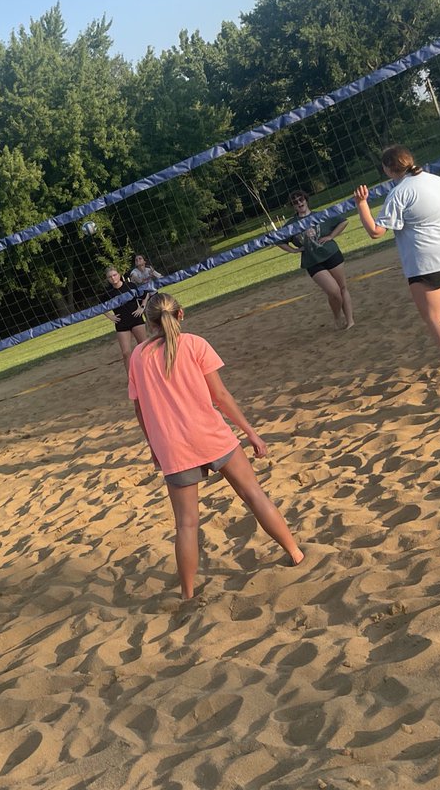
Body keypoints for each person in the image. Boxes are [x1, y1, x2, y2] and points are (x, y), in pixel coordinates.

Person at [128, 293, 304, 599]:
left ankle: (187, 594)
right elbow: (221, 397)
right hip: (211, 435)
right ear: (180, 315)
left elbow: (140, 409)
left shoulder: (138, 357)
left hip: (174, 448)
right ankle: (296, 553)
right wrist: (251, 433)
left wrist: (154, 447)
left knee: (186, 524)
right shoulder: (194, 343)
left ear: (149, 323)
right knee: (253, 494)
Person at [353, 145, 440, 375]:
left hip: (427, 260)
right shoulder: (438, 181)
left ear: (389, 169)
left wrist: (361, 204)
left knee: (434, 316)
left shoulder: (400, 192)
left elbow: (375, 231)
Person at [276, 190, 354, 330]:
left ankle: (350, 321)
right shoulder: (291, 224)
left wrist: (331, 236)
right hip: (312, 261)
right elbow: (279, 241)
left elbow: (343, 221)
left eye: (301, 199)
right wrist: (294, 250)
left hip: (332, 254)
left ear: (306, 200)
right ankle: (337, 316)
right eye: (295, 202)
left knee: (342, 288)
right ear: (293, 206)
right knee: (333, 291)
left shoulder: (320, 215)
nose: (299, 203)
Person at [104, 266, 148, 373]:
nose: (113, 278)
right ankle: (131, 377)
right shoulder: (108, 293)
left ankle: (149, 369)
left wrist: (141, 308)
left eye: (114, 275)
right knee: (126, 353)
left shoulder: (130, 286)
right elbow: (101, 307)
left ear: (119, 275)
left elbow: (145, 295)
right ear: (107, 279)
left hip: (136, 319)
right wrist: (110, 316)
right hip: (121, 323)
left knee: (144, 347)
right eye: (110, 277)